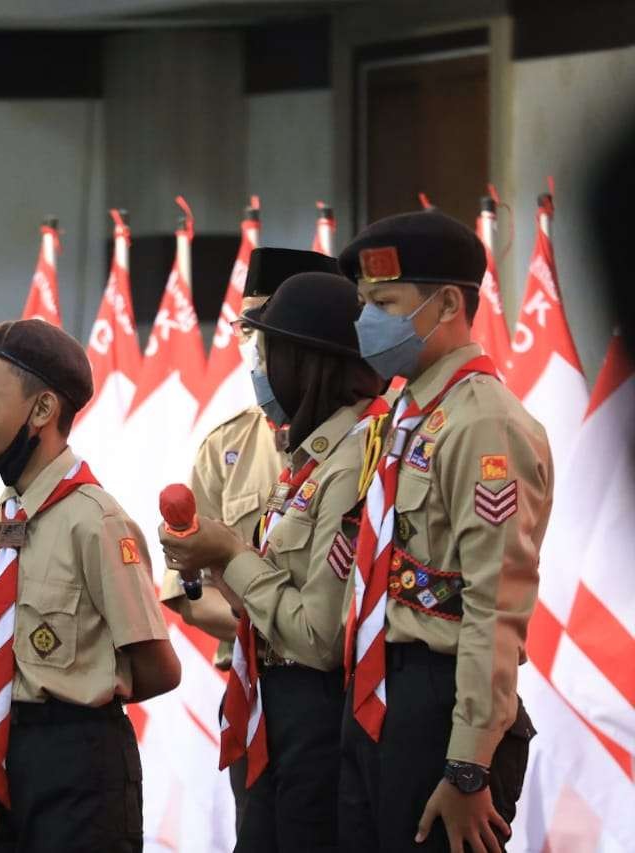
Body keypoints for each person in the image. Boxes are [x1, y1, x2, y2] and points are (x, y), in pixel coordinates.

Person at [337, 211, 551, 853]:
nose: (365, 321)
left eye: (385, 302)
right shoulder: (403, 413)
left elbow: (496, 603)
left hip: (440, 703)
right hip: (376, 695)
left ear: (448, 304)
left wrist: (468, 764)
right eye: (363, 303)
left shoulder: (486, 425)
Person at [159, 271, 385, 852]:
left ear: (306, 363)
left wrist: (231, 555)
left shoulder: (355, 457)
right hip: (271, 702)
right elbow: (243, 595)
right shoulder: (311, 457)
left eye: (269, 351)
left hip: (318, 712)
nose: (259, 366)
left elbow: (319, 636)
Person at [0, 319, 181, 853]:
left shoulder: (96, 522)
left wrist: (80, 692)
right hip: (3, 764)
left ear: (42, 410)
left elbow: (159, 668)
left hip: (81, 771)